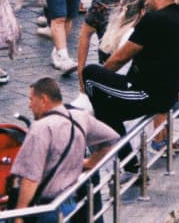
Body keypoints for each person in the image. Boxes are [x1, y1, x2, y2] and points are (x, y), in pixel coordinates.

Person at [83, 0, 179, 138]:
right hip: (169, 95)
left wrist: (104, 76)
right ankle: (113, 133)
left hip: (145, 95)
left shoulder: (154, 19)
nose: (146, 1)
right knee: (105, 108)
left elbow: (120, 58)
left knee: (90, 74)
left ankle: (110, 133)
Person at [12, 76, 118, 210]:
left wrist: (20, 213)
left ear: (43, 99)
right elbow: (112, 138)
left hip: (47, 208)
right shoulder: (80, 117)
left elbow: (30, 178)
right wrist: (91, 162)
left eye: (31, 99)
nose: (29, 105)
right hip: (70, 203)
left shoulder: (39, 129)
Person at [76, 0, 145, 73]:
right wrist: (80, 71)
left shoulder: (147, 0)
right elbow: (85, 34)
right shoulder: (102, 2)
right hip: (109, 67)